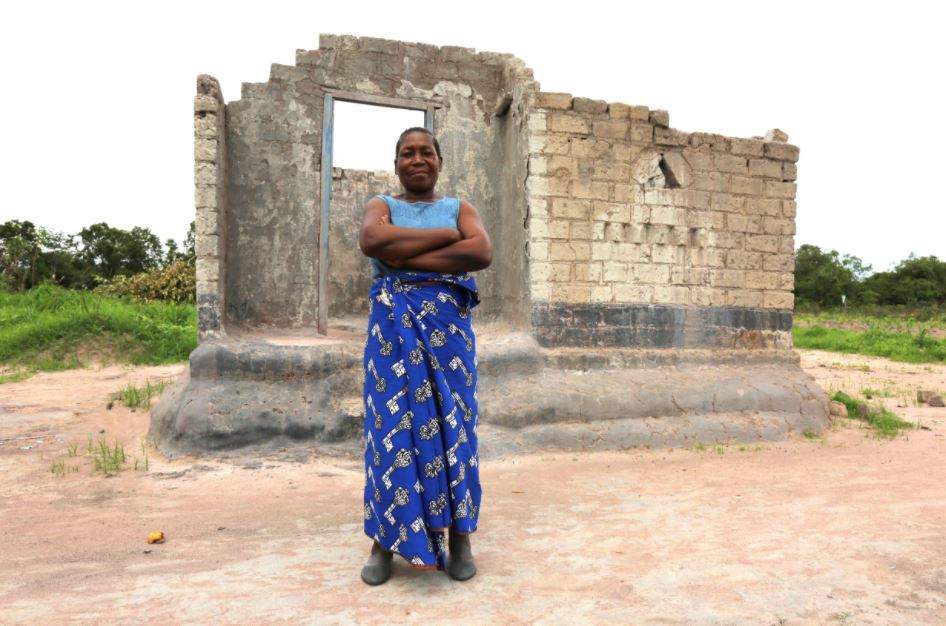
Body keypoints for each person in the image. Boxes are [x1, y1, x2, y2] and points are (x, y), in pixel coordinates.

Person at [357, 127, 492, 585]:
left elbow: (480, 251)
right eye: (407, 153)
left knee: (454, 425)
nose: (418, 159)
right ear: (395, 164)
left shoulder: (461, 208)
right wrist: (444, 239)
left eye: (426, 152)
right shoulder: (382, 206)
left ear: (439, 161)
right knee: (392, 432)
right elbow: (374, 243)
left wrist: (405, 258)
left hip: (447, 334)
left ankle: (459, 537)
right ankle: (384, 542)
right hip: (393, 334)